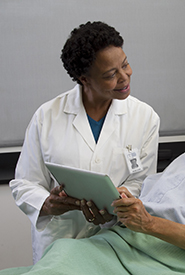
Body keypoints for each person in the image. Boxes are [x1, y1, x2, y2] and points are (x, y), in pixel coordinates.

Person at [2, 68, 185, 275]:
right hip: (121, 244)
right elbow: (150, 204)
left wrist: (148, 223)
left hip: (174, 263)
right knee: (61, 254)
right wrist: (125, 202)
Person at [9, 21, 160, 264]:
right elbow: (24, 183)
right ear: (84, 79)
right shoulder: (47, 116)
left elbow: (142, 179)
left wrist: (123, 196)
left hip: (117, 240)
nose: (124, 77)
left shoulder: (145, 117)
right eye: (111, 74)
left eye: (125, 65)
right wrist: (47, 204)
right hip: (60, 241)